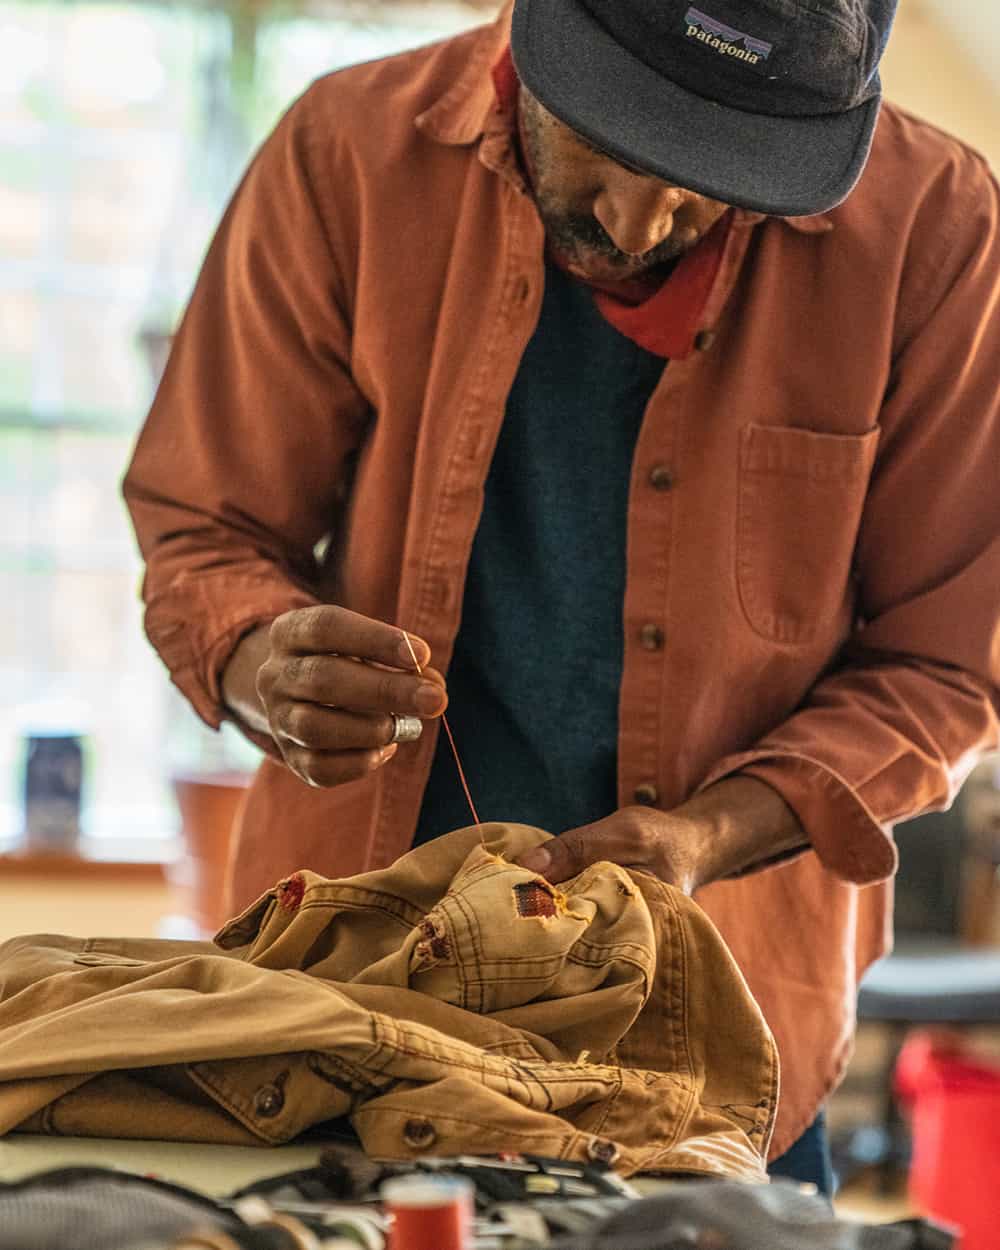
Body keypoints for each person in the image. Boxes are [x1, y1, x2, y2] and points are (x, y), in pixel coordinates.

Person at [123, 0, 1000, 1194]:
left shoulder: (932, 232)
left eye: (712, 174)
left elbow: (943, 668)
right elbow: (203, 526)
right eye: (610, 135)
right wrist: (257, 661)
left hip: (716, 1058)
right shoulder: (347, 154)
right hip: (344, 1025)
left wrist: (707, 832)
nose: (640, 222)